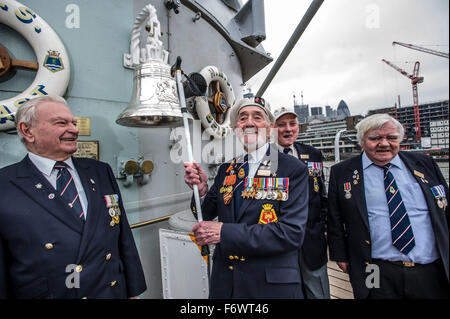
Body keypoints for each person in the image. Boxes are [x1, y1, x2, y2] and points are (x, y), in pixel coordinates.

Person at [0, 95, 147, 299]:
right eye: (61, 123)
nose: (74, 129)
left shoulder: (99, 171)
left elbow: (123, 237)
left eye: (74, 122)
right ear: (27, 130)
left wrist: (133, 291)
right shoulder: (5, 184)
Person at [184, 96, 309, 299]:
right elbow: (204, 212)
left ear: (269, 129)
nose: (249, 122)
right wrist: (201, 190)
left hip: (269, 286)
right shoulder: (227, 170)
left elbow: (291, 233)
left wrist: (225, 233)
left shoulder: (292, 169)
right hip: (227, 284)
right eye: (242, 118)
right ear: (236, 129)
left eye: (257, 117)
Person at [327, 113, 449, 299]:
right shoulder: (342, 172)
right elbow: (335, 218)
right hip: (373, 267)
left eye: (391, 138)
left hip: (429, 268)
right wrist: (339, 255)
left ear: (400, 139)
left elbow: (444, 207)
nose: (384, 144)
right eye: (375, 138)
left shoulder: (425, 164)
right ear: (362, 141)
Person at [273, 107, 330, 299]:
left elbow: (321, 194)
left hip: (312, 239)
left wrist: (324, 226)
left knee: (317, 291)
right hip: (278, 238)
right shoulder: (263, 158)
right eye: (281, 125)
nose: (288, 129)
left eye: (292, 124)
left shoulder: (313, 154)